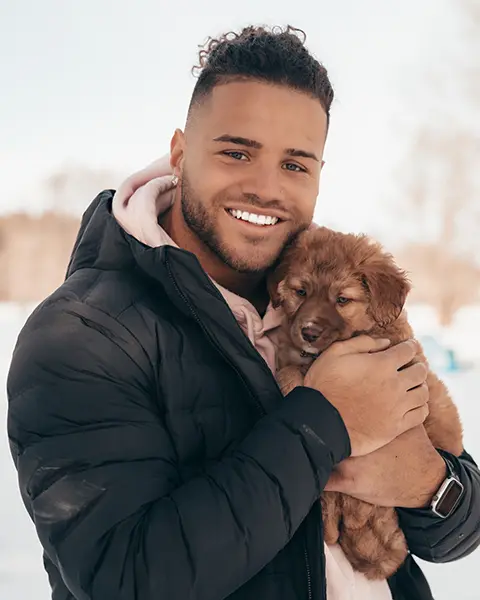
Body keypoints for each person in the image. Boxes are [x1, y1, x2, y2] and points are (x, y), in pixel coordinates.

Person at [6, 25, 479, 600]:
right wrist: (323, 425)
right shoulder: (81, 335)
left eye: (295, 165)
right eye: (237, 153)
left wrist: (432, 486)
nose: (265, 188)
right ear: (180, 153)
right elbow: (125, 579)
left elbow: (462, 522)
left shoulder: (328, 293)